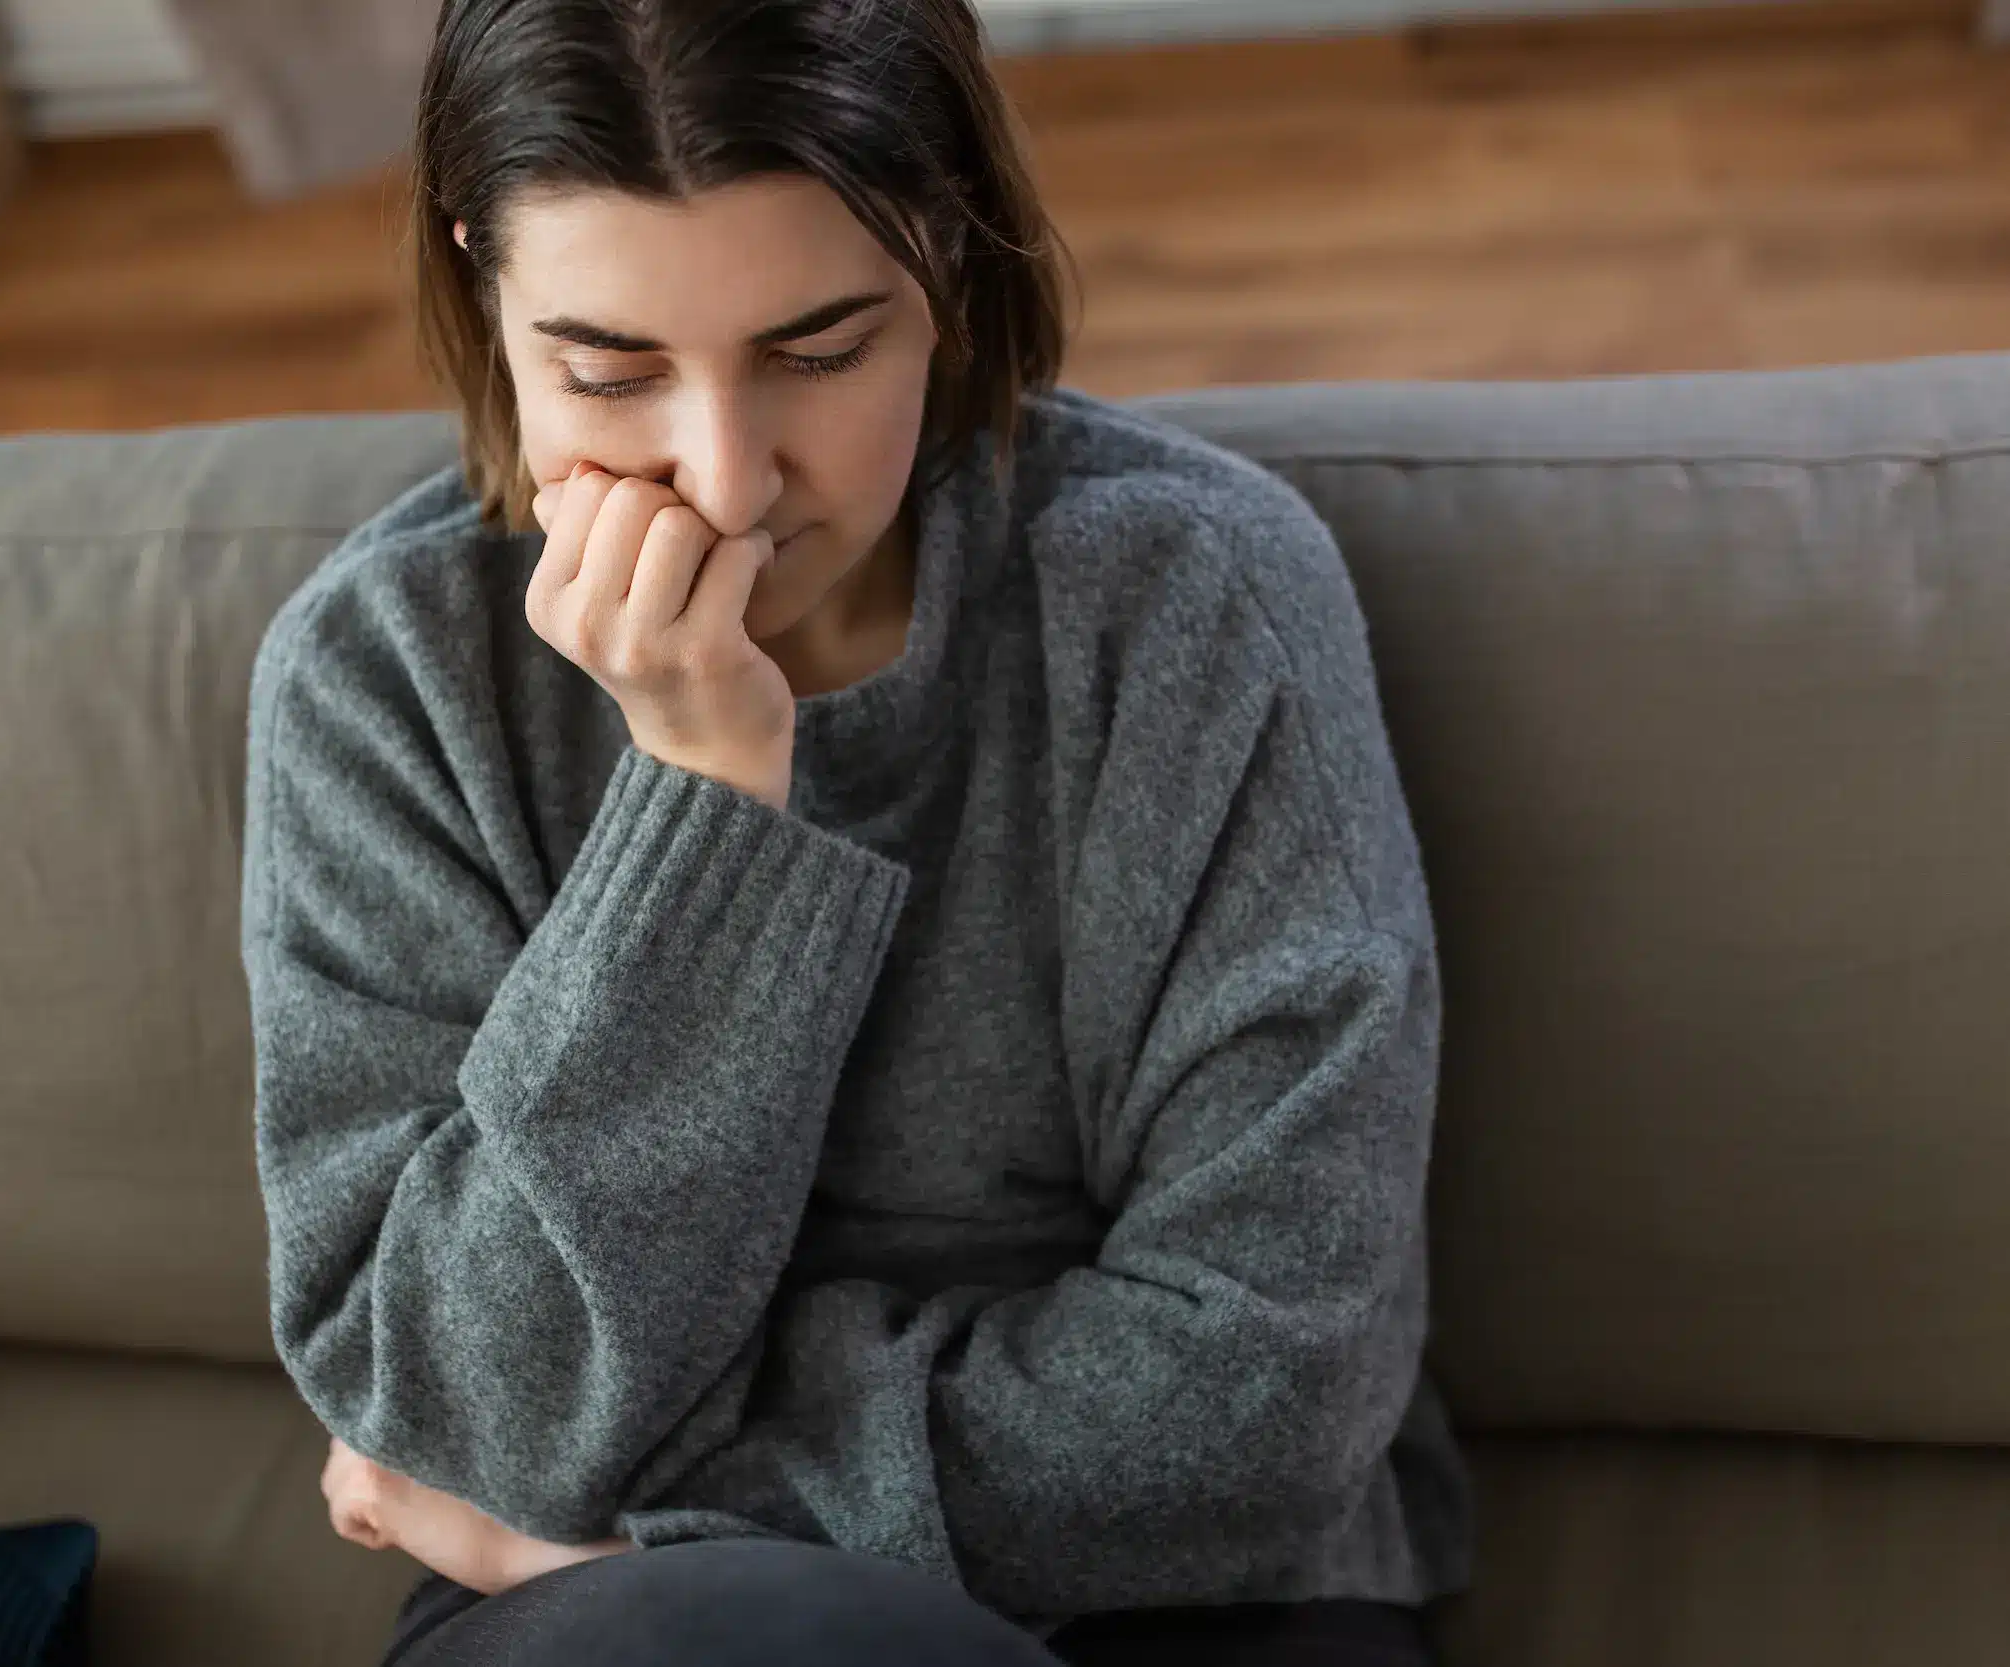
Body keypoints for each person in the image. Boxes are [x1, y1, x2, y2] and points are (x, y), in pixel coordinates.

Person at [237, 0, 1475, 1661]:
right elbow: (467, 1402)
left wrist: (603, 1535)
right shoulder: (386, 678)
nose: (729, 482)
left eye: (820, 353)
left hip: (1194, 1605)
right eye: (608, 371)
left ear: (952, 264)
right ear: (484, 288)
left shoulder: (1194, 600)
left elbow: (1261, 1401)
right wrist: (700, 797)